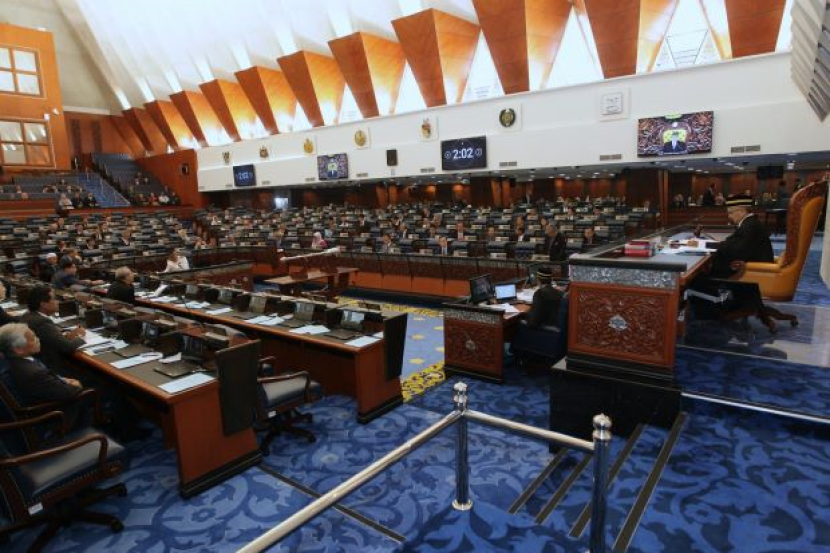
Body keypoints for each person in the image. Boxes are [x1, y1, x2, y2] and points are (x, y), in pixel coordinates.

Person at [0, 323, 83, 405]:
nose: (38, 339)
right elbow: (68, 393)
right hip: (57, 409)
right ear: (18, 349)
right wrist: (76, 385)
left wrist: (62, 379)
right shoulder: (34, 373)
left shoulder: (12, 359)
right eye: (33, 339)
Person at [696, 194, 774, 278]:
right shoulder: (751, 223)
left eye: (731, 213)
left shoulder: (749, 226)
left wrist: (705, 245)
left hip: (752, 271)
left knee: (699, 276)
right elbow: (734, 244)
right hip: (751, 266)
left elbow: (735, 250)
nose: (729, 216)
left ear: (742, 211)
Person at [20, 285, 86, 378]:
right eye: (54, 299)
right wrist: (82, 337)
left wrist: (66, 336)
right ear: (43, 304)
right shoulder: (41, 322)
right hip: (51, 367)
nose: (57, 301)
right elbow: (68, 347)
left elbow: (49, 338)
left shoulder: (28, 315)